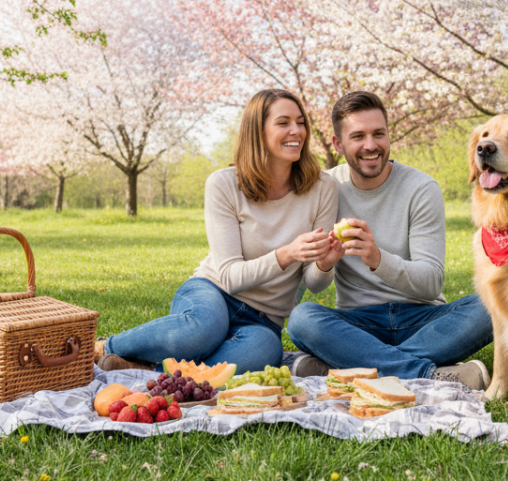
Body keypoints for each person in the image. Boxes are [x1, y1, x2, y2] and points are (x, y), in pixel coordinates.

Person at [95, 89, 340, 373]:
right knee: (202, 331)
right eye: (283, 123)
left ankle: (151, 369)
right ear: (257, 132)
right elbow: (230, 278)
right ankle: (106, 347)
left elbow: (314, 283)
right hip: (213, 293)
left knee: (264, 352)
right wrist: (286, 254)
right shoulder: (224, 184)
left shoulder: (323, 188)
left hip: (264, 319)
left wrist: (325, 264)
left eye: (300, 122)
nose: (296, 131)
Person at [286, 91, 494, 388]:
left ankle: (345, 364)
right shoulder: (325, 189)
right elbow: (314, 285)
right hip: (358, 324)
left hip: (423, 319)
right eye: (358, 136)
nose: (371, 145)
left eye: (378, 134)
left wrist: (377, 259)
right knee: (302, 319)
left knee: (491, 304)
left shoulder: (421, 188)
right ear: (338, 144)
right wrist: (324, 265)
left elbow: (431, 283)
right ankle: (426, 373)